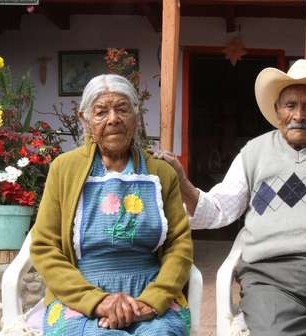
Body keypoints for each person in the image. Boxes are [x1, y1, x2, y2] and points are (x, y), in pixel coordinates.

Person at [156, 59, 306, 336]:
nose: (299, 115)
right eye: (290, 105)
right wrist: (183, 183)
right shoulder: (254, 152)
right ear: (277, 110)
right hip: (272, 277)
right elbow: (219, 209)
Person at [30, 74, 193, 336]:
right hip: (80, 293)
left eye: (122, 108)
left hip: (150, 290)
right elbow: (44, 246)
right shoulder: (64, 169)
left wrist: (153, 300)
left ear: (136, 115)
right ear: (85, 120)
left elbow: (179, 245)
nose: (113, 118)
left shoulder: (161, 172)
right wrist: (97, 301)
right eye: (101, 112)